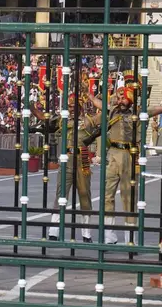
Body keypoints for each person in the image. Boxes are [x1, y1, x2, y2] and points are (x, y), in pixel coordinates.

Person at [91, 76, 162, 244]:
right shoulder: (112, 112)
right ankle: (109, 235)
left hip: (129, 157)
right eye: (119, 97)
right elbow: (99, 104)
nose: (120, 100)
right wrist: (91, 97)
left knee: (128, 197)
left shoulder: (137, 113)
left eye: (124, 97)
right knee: (107, 194)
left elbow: (156, 109)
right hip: (113, 155)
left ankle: (131, 236)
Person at [31, 93, 95, 243]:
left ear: (81, 107)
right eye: (70, 106)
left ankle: (87, 234)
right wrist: (31, 107)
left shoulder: (88, 120)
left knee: (85, 195)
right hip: (66, 158)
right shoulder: (62, 120)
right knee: (61, 195)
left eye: (74, 106)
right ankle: (54, 231)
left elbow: (105, 118)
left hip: (83, 157)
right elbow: (43, 118)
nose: (71, 109)